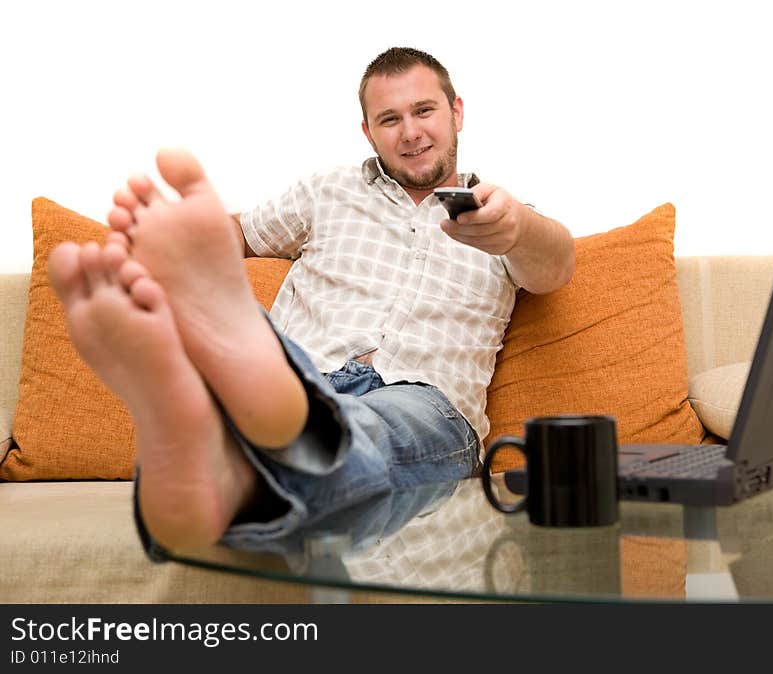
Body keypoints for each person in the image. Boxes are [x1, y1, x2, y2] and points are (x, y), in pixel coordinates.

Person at [47, 47, 575, 555]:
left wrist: (516, 229)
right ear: (367, 132)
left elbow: (555, 266)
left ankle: (235, 444)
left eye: (424, 111)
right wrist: (185, 248)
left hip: (425, 404)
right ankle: (248, 427)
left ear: (456, 112)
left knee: (366, 431)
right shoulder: (326, 191)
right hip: (307, 372)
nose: (411, 132)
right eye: (389, 119)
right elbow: (240, 236)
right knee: (318, 438)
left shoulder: (501, 220)